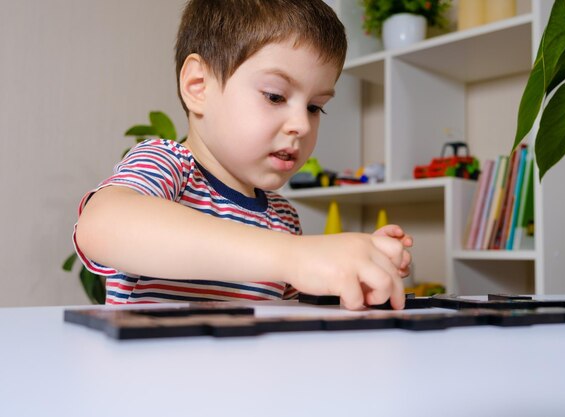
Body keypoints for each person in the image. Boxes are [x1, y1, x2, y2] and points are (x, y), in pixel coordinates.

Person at [74, 0, 413, 310]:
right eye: (275, 96)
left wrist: (355, 271)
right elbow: (102, 226)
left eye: (314, 107)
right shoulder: (169, 165)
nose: (301, 125)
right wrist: (295, 255)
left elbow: (288, 316)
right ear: (198, 86)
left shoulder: (283, 217)